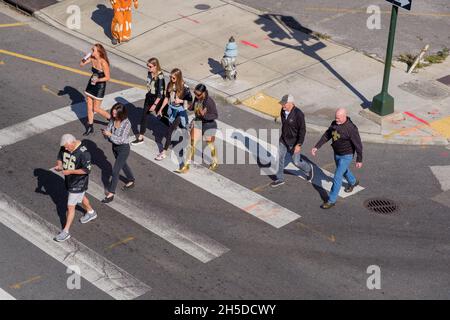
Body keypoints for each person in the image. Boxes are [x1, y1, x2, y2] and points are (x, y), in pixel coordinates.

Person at [311, 108, 363, 209]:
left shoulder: (351, 128)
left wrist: (359, 159)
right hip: (337, 153)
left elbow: (358, 145)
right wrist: (316, 146)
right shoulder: (334, 123)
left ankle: (331, 200)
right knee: (343, 170)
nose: (336, 120)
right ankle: (353, 182)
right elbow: (327, 135)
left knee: (337, 176)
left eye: (338, 118)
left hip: (347, 156)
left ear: (344, 116)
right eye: (335, 118)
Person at [53, 134, 96, 242]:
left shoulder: (84, 153)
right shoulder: (65, 146)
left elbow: (87, 170)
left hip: (79, 182)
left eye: (67, 147)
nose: (65, 149)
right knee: (81, 197)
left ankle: (65, 231)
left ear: (73, 142)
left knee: (70, 207)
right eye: (64, 147)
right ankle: (91, 212)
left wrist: (70, 171)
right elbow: (59, 157)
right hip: (69, 180)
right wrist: (59, 166)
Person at [271, 94, 313, 187]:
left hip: (294, 143)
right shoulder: (283, 110)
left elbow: (302, 130)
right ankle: (280, 178)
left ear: (290, 103)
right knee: (280, 158)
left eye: (284, 104)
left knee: (296, 162)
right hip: (283, 140)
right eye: (282, 104)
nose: (282, 106)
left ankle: (308, 169)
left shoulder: (299, 114)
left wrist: (299, 145)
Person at [176, 83, 219, 173]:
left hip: (209, 125)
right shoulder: (197, 98)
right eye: (195, 93)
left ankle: (215, 161)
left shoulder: (209, 102)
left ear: (203, 93)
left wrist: (205, 115)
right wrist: (184, 103)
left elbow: (215, 115)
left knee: (210, 144)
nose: (196, 96)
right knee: (192, 144)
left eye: (198, 94)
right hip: (198, 123)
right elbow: (192, 107)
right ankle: (186, 166)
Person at [155, 68, 193, 161]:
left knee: (170, 130)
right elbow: (167, 98)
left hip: (180, 112)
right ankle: (189, 130)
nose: (171, 79)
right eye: (170, 77)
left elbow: (190, 102)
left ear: (178, 78)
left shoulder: (185, 88)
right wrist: (160, 109)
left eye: (173, 78)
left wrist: (180, 100)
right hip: (172, 110)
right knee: (182, 129)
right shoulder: (170, 85)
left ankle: (163, 152)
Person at [101, 103, 135, 203]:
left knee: (115, 171)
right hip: (114, 147)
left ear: (121, 114)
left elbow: (121, 140)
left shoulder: (127, 123)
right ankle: (131, 179)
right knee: (123, 164)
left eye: (116, 114)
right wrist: (105, 134)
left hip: (123, 148)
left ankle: (111, 193)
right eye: (113, 112)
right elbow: (108, 130)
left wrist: (110, 134)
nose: (113, 115)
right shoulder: (112, 119)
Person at [131, 57, 165, 145]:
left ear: (155, 66)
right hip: (149, 97)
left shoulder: (160, 77)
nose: (148, 68)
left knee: (163, 117)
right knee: (144, 117)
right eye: (148, 66)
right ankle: (140, 137)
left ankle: (172, 131)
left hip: (157, 99)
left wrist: (154, 105)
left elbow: (160, 94)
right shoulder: (149, 73)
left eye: (150, 66)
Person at [80, 44, 111, 136]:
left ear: (99, 52)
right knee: (89, 106)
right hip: (92, 83)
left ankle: (112, 119)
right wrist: (86, 56)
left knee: (96, 108)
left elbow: (108, 77)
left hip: (100, 86)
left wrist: (98, 80)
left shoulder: (103, 62)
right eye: (92, 50)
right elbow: (81, 64)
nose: (91, 51)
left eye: (93, 50)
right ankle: (90, 126)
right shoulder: (92, 58)